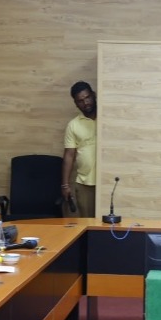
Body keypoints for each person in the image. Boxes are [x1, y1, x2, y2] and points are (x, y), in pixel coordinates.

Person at [61, 81, 98, 218]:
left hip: (108, 181)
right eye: (80, 101)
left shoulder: (107, 118)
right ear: (76, 104)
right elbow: (69, 155)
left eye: (87, 97)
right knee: (88, 224)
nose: (86, 103)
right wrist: (65, 185)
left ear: (94, 95)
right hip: (85, 183)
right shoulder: (73, 125)